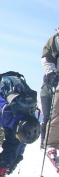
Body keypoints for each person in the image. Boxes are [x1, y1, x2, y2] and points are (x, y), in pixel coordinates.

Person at [41, 27, 59, 166]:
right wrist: (51, 73)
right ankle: (51, 145)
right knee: (57, 114)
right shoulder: (56, 39)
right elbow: (47, 58)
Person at [40, 83, 54, 149]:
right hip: (46, 94)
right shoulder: (51, 73)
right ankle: (43, 141)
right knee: (46, 116)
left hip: (51, 93)